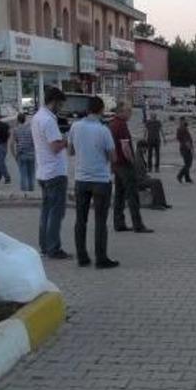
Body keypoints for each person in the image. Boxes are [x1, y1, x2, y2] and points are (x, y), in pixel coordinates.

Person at [70, 96, 119, 269]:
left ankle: (82, 257)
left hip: (81, 179)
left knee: (80, 220)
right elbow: (113, 156)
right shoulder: (103, 130)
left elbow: (70, 150)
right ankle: (101, 258)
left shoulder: (75, 127)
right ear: (101, 110)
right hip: (100, 180)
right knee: (100, 221)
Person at [32, 87, 70, 259]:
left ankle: (45, 246)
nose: (60, 108)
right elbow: (55, 146)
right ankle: (54, 248)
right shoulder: (48, 120)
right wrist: (67, 140)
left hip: (43, 171)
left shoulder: (37, 117)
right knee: (56, 213)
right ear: (54, 102)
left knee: (46, 212)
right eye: (60, 104)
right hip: (55, 172)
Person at [108, 102, 153, 233]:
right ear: (121, 112)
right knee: (132, 195)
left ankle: (119, 223)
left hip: (116, 165)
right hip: (125, 165)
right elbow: (125, 147)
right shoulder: (122, 125)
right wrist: (132, 162)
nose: (130, 114)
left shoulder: (112, 124)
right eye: (128, 111)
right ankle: (138, 224)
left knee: (119, 195)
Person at [10, 113, 35, 191]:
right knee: (31, 174)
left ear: (18, 120)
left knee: (23, 174)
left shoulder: (15, 130)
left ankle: (24, 193)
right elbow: (35, 142)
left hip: (21, 154)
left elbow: (11, 144)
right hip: (31, 154)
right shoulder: (31, 129)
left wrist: (14, 155)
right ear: (25, 119)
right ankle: (31, 191)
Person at [176, 116, 194, 184]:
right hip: (185, 148)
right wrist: (190, 147)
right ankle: (180, 175)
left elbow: (178, 138)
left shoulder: (181, 128)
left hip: (183, 147)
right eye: (184, 120)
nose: (185, 121)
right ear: (181, 121)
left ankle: (187, 178)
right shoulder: (183, 129)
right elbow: (186, 140)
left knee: (187, 163)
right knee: (188, 164)